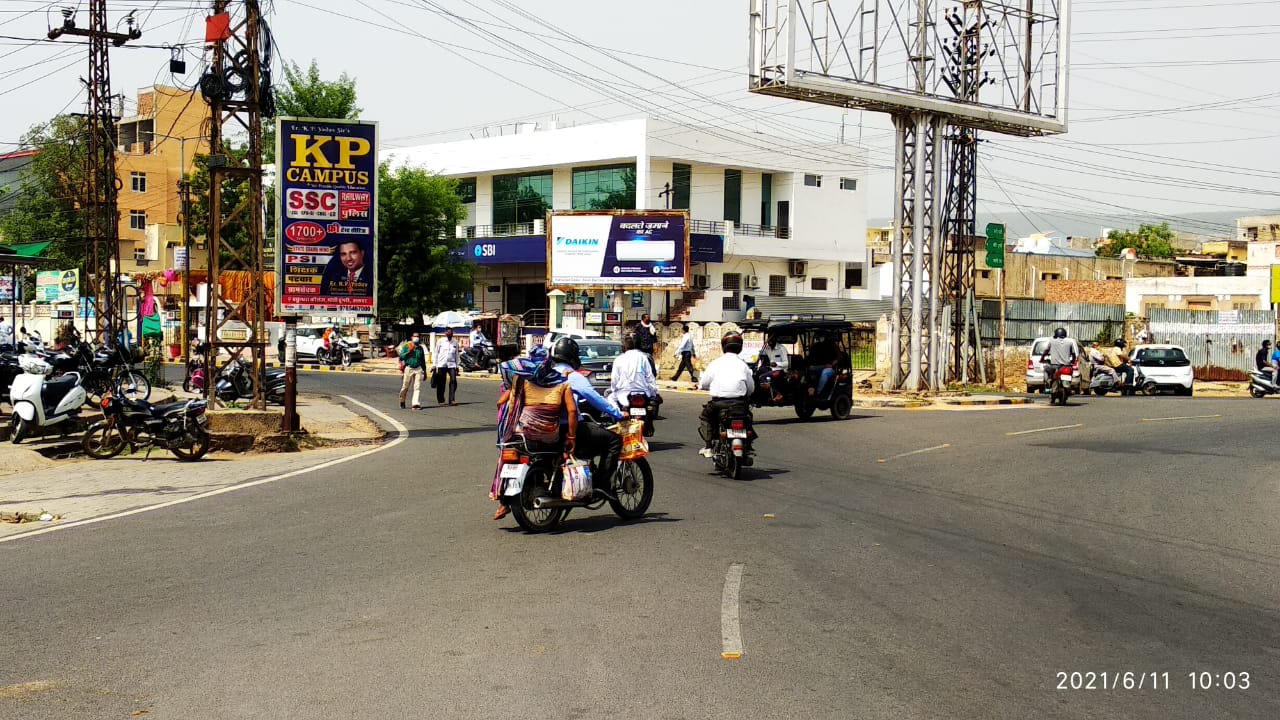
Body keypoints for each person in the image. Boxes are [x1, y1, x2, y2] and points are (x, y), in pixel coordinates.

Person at [491, 349, 579, 520]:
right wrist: (572, 437)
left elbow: (500, 402)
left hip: (523, 434)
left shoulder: (523, 381)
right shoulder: (563, 383)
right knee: (563, 453)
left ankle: (503, 502)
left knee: (506, 452)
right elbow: (572, 411)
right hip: (549, 435)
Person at [548, 337, 624, 487]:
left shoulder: (546, 374)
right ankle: (602, 484)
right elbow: (594, 398)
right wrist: (618, 414)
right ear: (572, 356)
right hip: (569, 428)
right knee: (614, 441)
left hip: (546, 429)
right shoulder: (572, 376)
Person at [698, 331, 755, 458]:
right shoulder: (743, 364)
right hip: (739, 404)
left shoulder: (715, 363)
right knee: (748, 417)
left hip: (719, 403)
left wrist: (704, 386)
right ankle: (749, 445)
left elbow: (704, 383)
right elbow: (751, 388)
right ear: (740, 347)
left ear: (724, 346)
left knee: (705, 417)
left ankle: (708, 446)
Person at [608, 333, 659, 411]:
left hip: (624, 393)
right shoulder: (643, 358)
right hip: (643, 392)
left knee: (610, 398)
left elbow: (614, 379)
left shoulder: (619, 359)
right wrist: (654, 391)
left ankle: (620, 415)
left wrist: (613, 389)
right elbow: (650, 377)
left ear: (623, 348)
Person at [398, 334, 427, 410]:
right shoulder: (406, 346)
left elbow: (423, 360)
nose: (416, 338)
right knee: (405, 387)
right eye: (415, 336)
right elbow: (401, 357)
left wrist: (425, 371)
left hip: (418, 368)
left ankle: (415, 404)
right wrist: (409, 351)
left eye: (417, 336)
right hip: (409, 368)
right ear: (412, 337)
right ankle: (402, 400)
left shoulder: (420, 348)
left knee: (417, 387)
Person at [757, 336, 790, 402]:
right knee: (758, 372)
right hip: (771, 369)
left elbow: (786, 363)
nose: (770, 342)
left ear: (775, 340)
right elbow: (761, 355)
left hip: (780, 370)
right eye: (769, 340)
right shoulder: (767, 348)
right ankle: (761, 396)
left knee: (762, 377)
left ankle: (778, 394)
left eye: (772, 340)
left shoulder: (781, 348)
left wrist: (777, 364)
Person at [433, 328, 461, 405]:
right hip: (442, 364)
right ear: (445, 333)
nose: (450, 334)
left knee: (453, 380)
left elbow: (456, 354)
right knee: (441, 382)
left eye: (451, 332)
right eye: (448, 332)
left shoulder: (455, 342)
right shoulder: (440, 341)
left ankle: (451, 399)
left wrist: (457, 366)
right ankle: (441, 399)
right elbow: (436, 353)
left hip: (451, 364)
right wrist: (434, 365)